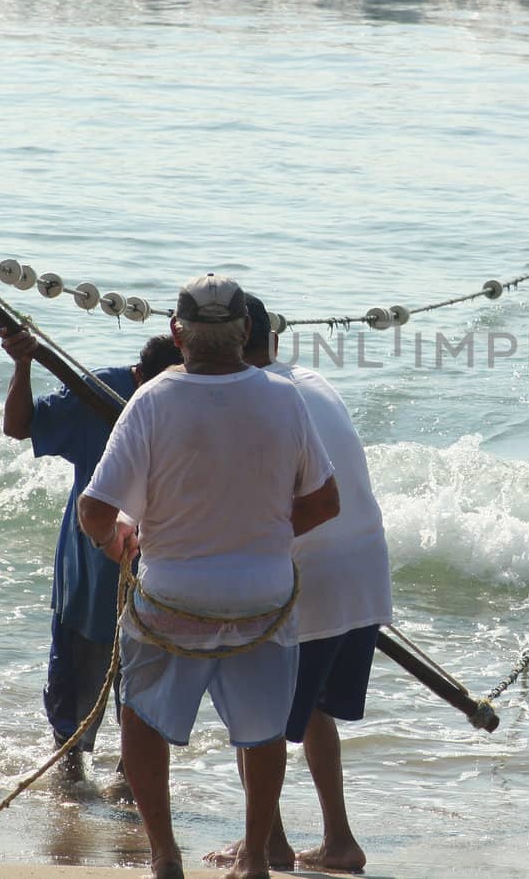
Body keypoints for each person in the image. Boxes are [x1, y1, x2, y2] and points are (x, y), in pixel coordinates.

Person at [78, 274, 340, 879]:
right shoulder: (284, 397)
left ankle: (164, 854)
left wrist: (118, 541)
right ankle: (254, 857)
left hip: (174, 593)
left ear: (177, 333)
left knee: (141, 718)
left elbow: (94, 510)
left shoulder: (152, 400)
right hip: (263, 596)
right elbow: (326, 502)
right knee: (263, 728)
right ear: (247, 330)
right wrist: (264, 536)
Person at [205, 294, 392, 874]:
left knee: (250, 709)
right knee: (312, 712)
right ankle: (339, 841)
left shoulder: (254, 398)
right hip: (363, 570)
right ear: (273, 341)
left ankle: (266, 846)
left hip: (311, 573)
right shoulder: (310, 378)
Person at [0, 326, 182, 781]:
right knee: (70, 728)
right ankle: (71, 805)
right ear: (142, 376)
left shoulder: (198, 400)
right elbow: (18, 426)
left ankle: (132, 800)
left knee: (146, 713)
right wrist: (22, 365)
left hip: (163, 583)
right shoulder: (99, 392)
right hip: (90, 577)